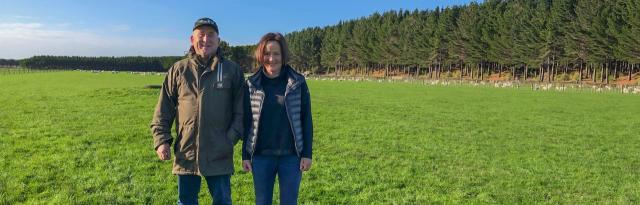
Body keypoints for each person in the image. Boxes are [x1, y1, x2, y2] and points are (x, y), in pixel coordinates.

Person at [150, 17, 244, 205]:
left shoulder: (231, 70)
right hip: (186, 151)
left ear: (218, 40)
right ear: (191, 40)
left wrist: (230, 139)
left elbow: (241, 110)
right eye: (201, 35)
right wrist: (161, 140)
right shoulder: (178, 70)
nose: (206, 40)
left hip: (219, 152)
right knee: (186, 201)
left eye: (211, 35)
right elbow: (164, 108)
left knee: (223, 201)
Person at [242, 32, 314, 205]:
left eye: (276, 54)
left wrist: (307, 153)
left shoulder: (298, 83)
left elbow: (306, 120)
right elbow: (246, 121)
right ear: (261, 56)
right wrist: (245, 154)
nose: (271, 58)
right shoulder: (251, 84)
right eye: (267, 53)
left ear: (283, 56)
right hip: (261, 157)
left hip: (291, 157)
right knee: (262, 202)